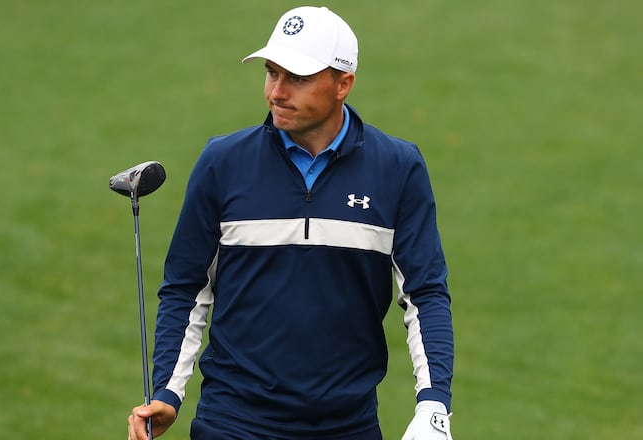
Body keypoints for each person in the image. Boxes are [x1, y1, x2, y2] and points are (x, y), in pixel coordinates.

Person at [128, 6, 454, 440]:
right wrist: (167, 393)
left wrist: (433, 405)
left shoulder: (397, 168)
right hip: (233, 422)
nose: (277, 92)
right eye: (271, 73)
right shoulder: (223, 163)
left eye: (297, 78)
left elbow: (424, 294)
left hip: (347, 427)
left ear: (343, 84)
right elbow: (186, 288)